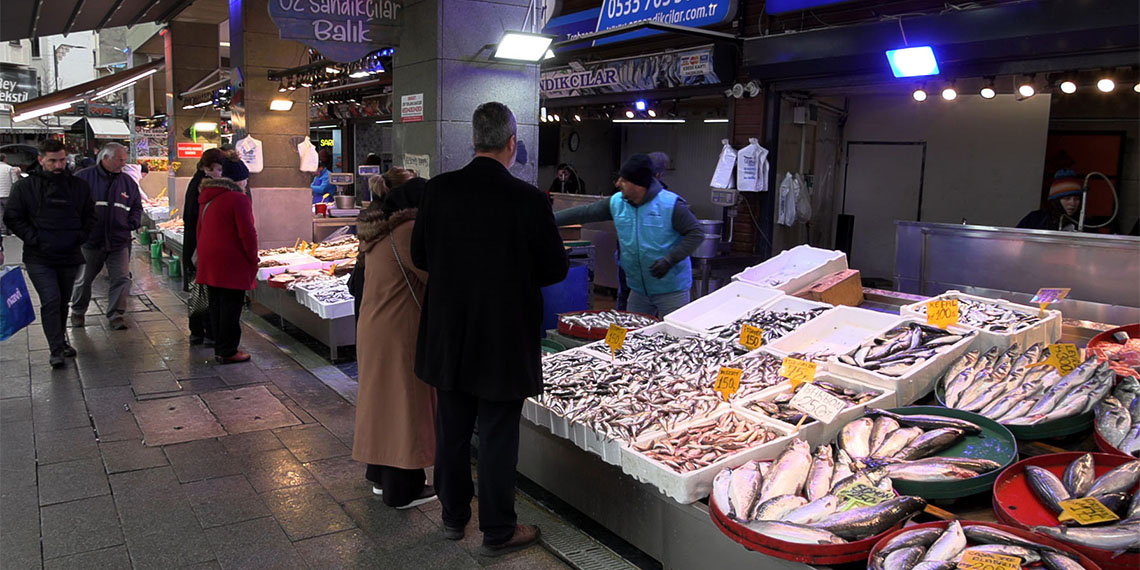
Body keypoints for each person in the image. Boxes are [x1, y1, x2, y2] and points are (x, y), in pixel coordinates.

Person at [411, 102, 568, 556]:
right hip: (503, 339)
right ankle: (498, 530)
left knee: (453, 430)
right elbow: (555, 268)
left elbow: (421, 257)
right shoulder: (529, 199)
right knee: (498, 436)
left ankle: (452, 517)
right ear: (512, 144)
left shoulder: (438, 191)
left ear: (474, 141)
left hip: (449, 336)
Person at [352, 178, 437, 509]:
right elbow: (433, 273)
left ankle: (379, 475)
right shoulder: (407, 231)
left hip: (375, 325)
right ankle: (404, 487)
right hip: (400, 330)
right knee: (405, 406)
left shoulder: (379, 230)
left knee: (381, 404)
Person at [555, 154, 703, 317]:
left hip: (671, 290)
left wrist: (670, 260)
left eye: (624, 180)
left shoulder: (670, 205)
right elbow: (585, 213)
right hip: (638, 290)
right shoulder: (617, 203)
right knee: (632, 334)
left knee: (677, 334)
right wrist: (548, 219)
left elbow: (696, 233)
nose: (618, 184)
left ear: (638, 185)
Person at [3, 139, 95, 368]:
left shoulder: (78, 186)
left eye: (62, 160)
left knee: (63, 301)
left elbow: (90, 216)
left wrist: (79, 236)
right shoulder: (25, 187)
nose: (58, 165)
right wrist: (35, 238)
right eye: (52, 161)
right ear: (41, 160)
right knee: (51, 299)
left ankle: (61, 341)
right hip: (39, 256)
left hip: (69, 253)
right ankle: (55, 349)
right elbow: (13, 217)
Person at [69, 142, 143, 330]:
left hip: (119, 241)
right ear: (105, 158)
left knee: (121, 278)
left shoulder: (127, 182)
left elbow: (136, 206)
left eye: (125, 160)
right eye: (120, 160)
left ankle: (116, 315)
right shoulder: (82, 179)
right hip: (90, 242)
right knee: (84, 279)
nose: (123, 164)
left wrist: (132, 222)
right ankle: (77, 312)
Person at [194, 177, 258, 364]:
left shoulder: (208, 198)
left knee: (216, 305)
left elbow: (200, 229)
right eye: (245, 178)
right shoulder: (238, 199)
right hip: (231, 261)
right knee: (231, 306)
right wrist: (253, 257)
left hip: (210, 259)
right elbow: (247, 232)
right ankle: (228, 350)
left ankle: (220, 347)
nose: (246, 182)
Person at [183, 148, 226, 345]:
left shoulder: (196, 181)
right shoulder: (203, 185)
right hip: (198, 244)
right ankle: (207, 332)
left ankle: (198, 331)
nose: (220, 173)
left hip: (195, 242)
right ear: (207, 167)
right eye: (217, 168)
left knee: (197, 288)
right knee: (204, 288)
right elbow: (195, 217)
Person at [1017, 170, 1090, 232]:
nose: (1072, 203)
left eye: (1077, 199)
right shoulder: (1035, 219)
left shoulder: (1086, 224)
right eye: (1067, 198)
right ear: (1056, 201)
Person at [0, 153, 19, 235]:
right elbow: (15, 182)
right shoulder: (10, 168)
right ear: (5, 159)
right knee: (10, 213)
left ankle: (3, 231)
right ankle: (12, 230)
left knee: (0, 215)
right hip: (8, 195)